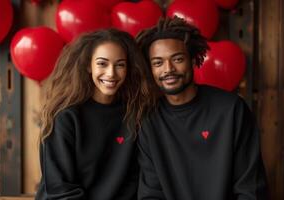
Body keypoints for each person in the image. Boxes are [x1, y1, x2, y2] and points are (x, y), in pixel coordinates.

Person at [135, 16, 268, 200]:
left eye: (178, 59)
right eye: (158, 63)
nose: (168, 69)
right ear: (151, 69)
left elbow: (250, 190)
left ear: (193, 59)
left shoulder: (231, 110)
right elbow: (151, 194)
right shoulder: (149, 121)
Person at [35, 28, 152, 200]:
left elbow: (135, 181)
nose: (111, 73)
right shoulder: (65, 116)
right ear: (88, 66)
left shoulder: (136, 114)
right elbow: (61, 189)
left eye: (120, 64)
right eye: (102, 63)